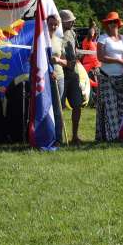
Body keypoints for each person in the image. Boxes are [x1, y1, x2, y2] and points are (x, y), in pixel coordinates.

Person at [95, 11, 123, 142]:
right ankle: (112, 137)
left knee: (121, 108)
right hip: (106, 78)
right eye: (110, 22)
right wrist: (119, 61)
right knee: (111, 109)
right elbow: (100, 57)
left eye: (115, 22)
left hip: (122, 78)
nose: (113, 24)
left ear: (118, 24)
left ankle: (119, 134)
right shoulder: (103, 38)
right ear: (107, 25)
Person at [60, 9, 83, 145]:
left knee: (77, 105)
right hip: (62, 74)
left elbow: (74, 51)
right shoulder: (56, 35)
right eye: (70, 20)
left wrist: (77, 57)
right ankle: (60, 136)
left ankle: (75, 136)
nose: (73, 22)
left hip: (73, 74)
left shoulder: (72, 33)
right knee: (60, 107)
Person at [47, 14, 66, 145]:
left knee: (58, 110)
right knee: (47, 108)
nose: (53, 26)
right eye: (50, 24)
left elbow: (67, 62)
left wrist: (58, 60)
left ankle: (58, 139)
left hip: (58, 77)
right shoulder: (41, 39)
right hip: (44, 78)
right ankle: (48, 136)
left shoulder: (59, 40)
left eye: (55, 24)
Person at [81, 22, 101, 100]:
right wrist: (92, 27)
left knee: (98, 87)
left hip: (97, 68)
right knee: (91, 86)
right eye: (95, 32)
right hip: (89, 69)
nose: (96, 33)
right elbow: (90, 34)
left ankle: (96, 101)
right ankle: (92, 101)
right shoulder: (87, 41)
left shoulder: (96, 43)